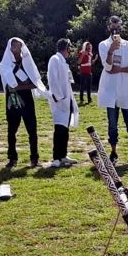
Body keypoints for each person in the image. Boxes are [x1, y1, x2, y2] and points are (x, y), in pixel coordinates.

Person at [97, 15, 128, 164]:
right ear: (108, 27)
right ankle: (114, 153)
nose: (115, 28)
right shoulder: (103, 45)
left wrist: (121, 69)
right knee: (112, 124)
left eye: (118, 26)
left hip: (125, 90)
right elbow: (108, 67)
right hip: (111, 91)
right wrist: (111, 51)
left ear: (121, 27)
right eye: (113, 26)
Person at [0, 37, 44, 169]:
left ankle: (34, 158)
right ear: (10, 48)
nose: (16, 49)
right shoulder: (5, 64)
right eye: (14, 46)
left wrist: (19, 86)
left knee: (32, 129)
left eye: (19, 46)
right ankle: (12, 158)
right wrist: (21, 85)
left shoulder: (27, 62)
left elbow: (35, 83)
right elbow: (8, 86)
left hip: (27, 99)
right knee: (11, 130)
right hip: (12, 100)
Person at [46, 38, 79, 168]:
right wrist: (59, 97)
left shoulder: (63, 61)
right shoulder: (55, 59)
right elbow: (52, 79)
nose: (70, 51)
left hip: (67, 100)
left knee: (64, 129)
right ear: (66, 48)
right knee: (59, 129)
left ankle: (63, 155)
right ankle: (56, 157)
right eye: (70, 48)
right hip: (59, 101)